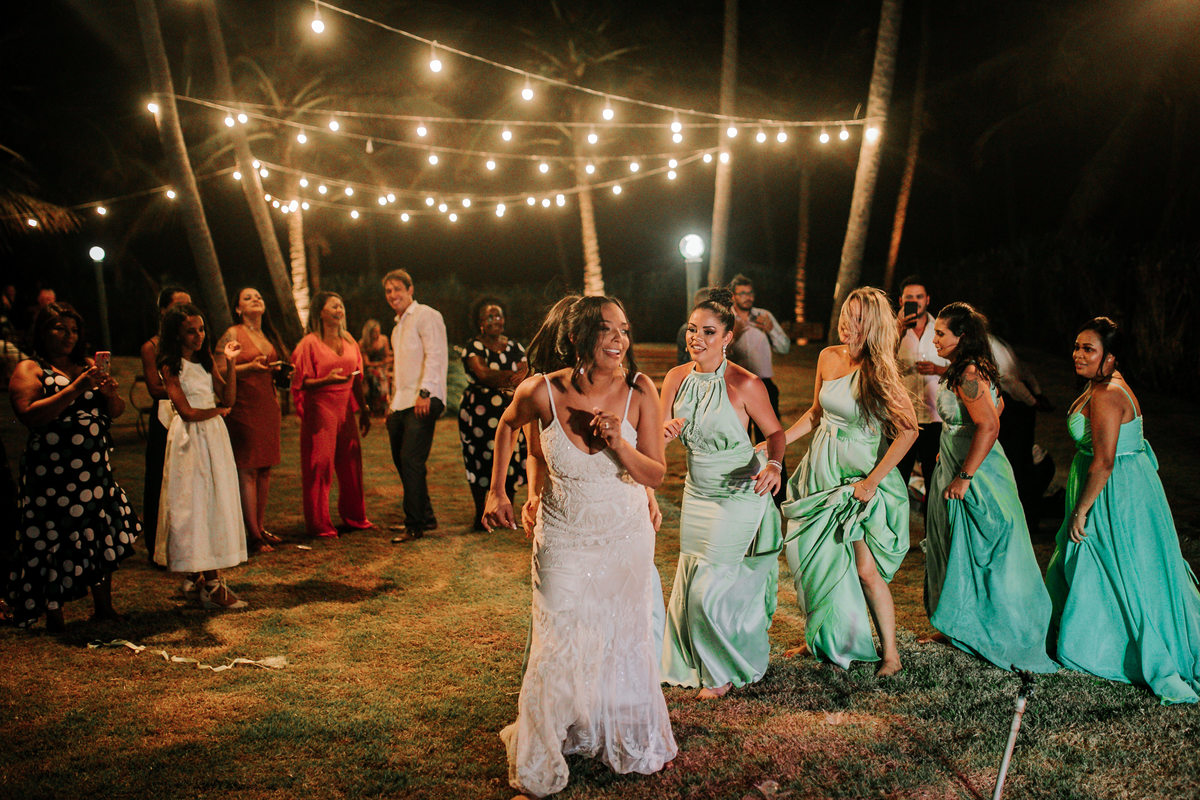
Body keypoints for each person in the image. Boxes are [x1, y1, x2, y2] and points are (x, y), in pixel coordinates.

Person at [483, 296, 676, 798]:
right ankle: (541, 755)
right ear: (577, 336)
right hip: (562, 535)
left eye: (624, 330)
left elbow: (655, 472)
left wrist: (619, 443)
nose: (619, 340)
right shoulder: (541, 391)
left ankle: (615, 729)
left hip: (625, 536)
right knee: (558, 636)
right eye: (607, 329)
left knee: (620, 635)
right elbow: (506, 426)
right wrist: (498, 490)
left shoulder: (641, 390)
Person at [1044, 317, 1200, 704]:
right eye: (1077, 346)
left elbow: (1104, 461)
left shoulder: (1108, 393)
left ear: (1111, 357)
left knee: (1110, 566)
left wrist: (1081, 511)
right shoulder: (1100, 386)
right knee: (1117, 567)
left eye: (1089, 349)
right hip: (1121, 484)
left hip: (1114, 492)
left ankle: (1101, 648)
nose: (1078, 354)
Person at [777, 287, 917, 676]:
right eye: (845, 314)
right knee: (813, 558)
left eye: (856, 318)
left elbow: (909, 431)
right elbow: (816, 413)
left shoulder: (879, 370)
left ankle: (891, 654)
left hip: (856, 479)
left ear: (871, 325)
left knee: (864, 569)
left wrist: (871, 483)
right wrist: (777, 442)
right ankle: (818, 637)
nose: (846, 323)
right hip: (820, 470)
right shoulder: (827, 356)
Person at [660, 288, 785, 699]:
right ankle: (690, 659)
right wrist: (664, 432)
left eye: (708, 331)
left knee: (709, 585)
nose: (696, 338)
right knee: (693, 575)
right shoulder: (675, 378)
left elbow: (775, 433)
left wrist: (774, 465)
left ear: (728, 337)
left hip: (739, 491)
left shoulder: (746, 383)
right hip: (697, 491)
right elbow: (655, 434)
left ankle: (721, 670)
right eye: (692, 329)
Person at [921, 302, 1057, 673]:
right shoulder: (965, 369)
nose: (935, 340)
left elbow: (990, 426)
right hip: (957, 458)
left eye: (941, 334)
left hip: (976, 474)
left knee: (986, 545)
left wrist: (964, 475)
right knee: (956, 544)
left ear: (962, 337)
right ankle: (955, 623)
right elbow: (994, 410)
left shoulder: (969, 373)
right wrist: (952, 443)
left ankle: (991, 627)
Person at [5, 303, 141, 630]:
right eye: (60, 328)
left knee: (97, 534)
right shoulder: (30, 369)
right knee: (53, 538)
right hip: (53, 473)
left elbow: (116, 411)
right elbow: (29, 414)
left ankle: (104, 607)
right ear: (43, 331)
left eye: (74, 330)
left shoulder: (87, 366)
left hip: (93, 470)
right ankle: (55, 615)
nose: (69, 336)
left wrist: (110, 395)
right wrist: (76, 388)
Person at [155, 303, 248, 609]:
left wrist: (230, 364)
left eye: (201, 329)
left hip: (213, 436)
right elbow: (186, 411)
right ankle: (210, 582)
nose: (198, 336)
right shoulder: (171, 366)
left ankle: (203, 578)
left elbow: (228, 397)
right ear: (177, 335)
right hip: (190, 438)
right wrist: (216, 412)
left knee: (215, 501)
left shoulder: (205, 360)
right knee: (194, 503)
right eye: (190, 332)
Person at [290, 292, 372, 539]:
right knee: (320, 465)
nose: (339, 310)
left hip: (345, 407)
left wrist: (364, 409)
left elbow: (356, 378)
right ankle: (319, 523)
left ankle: (355, 516)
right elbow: (300, 382)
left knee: (351, 462)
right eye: (334, 306)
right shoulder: (309, 344)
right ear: (320, 312)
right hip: (320, 408)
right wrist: (325, 381)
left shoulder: (350, 341)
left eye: (341, 305)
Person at [216, 287, 286, 554]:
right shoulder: (233, 333)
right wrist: (248, 368)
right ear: (238, 308)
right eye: (247, 298)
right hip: (244, 407)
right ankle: (253, 535)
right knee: (248, 469)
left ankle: (260, 526)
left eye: (259, 296)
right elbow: (219, 369)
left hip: (267, 406)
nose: (256, 299)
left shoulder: (267, 335)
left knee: (265, 469)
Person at [383, 269, 448, 540]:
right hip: (401, 402)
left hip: (423, 398)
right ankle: (425, 516)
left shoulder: (426, 315)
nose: (393, 295)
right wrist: (392, 402)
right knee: (403, 461)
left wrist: (425, 392)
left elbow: (435, 354)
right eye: (388, 291)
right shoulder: (397, 327)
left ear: (410, 289)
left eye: (397, 289)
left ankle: (414, 524)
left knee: (411, 459)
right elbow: (401, 369)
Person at [458, 297, 528, 530]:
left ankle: (507, 513)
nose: (496, 320)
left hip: (510, 410)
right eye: (490, 316)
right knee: (480, 459)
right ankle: (481, 514)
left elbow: (526, 372)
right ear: (480, 322)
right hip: (479, 413)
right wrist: (511, 377)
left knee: (511, 457)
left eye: (499, 315)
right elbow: (483, 374)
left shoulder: (515, 346)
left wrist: (509, 377)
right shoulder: (473, 347)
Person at [727, 275, 790, 503]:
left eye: (750, 293)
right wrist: (735, 334)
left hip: (765, 386)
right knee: (740, 440)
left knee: (772, 437)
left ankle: (778, 493)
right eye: (742, 293)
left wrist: (771, 330)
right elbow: (719, 352)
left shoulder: (764, 316)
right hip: (735, 389)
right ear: (733, 296)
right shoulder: (727, 318)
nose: (748, 297)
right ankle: (743, 491)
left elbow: (785, 347)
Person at [139, 286, 191, 564]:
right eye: (178, 306)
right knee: (160, 478)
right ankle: (157, 545)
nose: (184, 312)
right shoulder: (152, 347)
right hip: (165, 416)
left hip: (191, 414)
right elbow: (154, 387)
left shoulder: (191, 342)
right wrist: (185, 388)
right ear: (163, 311)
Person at [894, 276, 950, 500]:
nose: (915, 301)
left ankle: (931, 522)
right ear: (901, 301)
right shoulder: (891, 331)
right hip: (902, 417)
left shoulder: (942, 329)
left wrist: (938, 369)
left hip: (934, 416)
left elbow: (962, 367)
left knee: (934, 480)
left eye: (919, 297)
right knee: (897, 479)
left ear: (927, 299)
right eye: (910, 297)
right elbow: (879, 363)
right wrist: (897, 330)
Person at [358, 319, 391, 416]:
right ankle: (374, 406)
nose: (377, 334)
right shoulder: (363, 343)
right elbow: (367, 363)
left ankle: (383, 406)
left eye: (378, 332)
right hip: (370, 368)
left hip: (383, 367)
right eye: (375, 332)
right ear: (369, 333)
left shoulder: (384, 339)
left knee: (382, 375)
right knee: (374, 377)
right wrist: (380, 364)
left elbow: (387, 356)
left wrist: (385, 366)